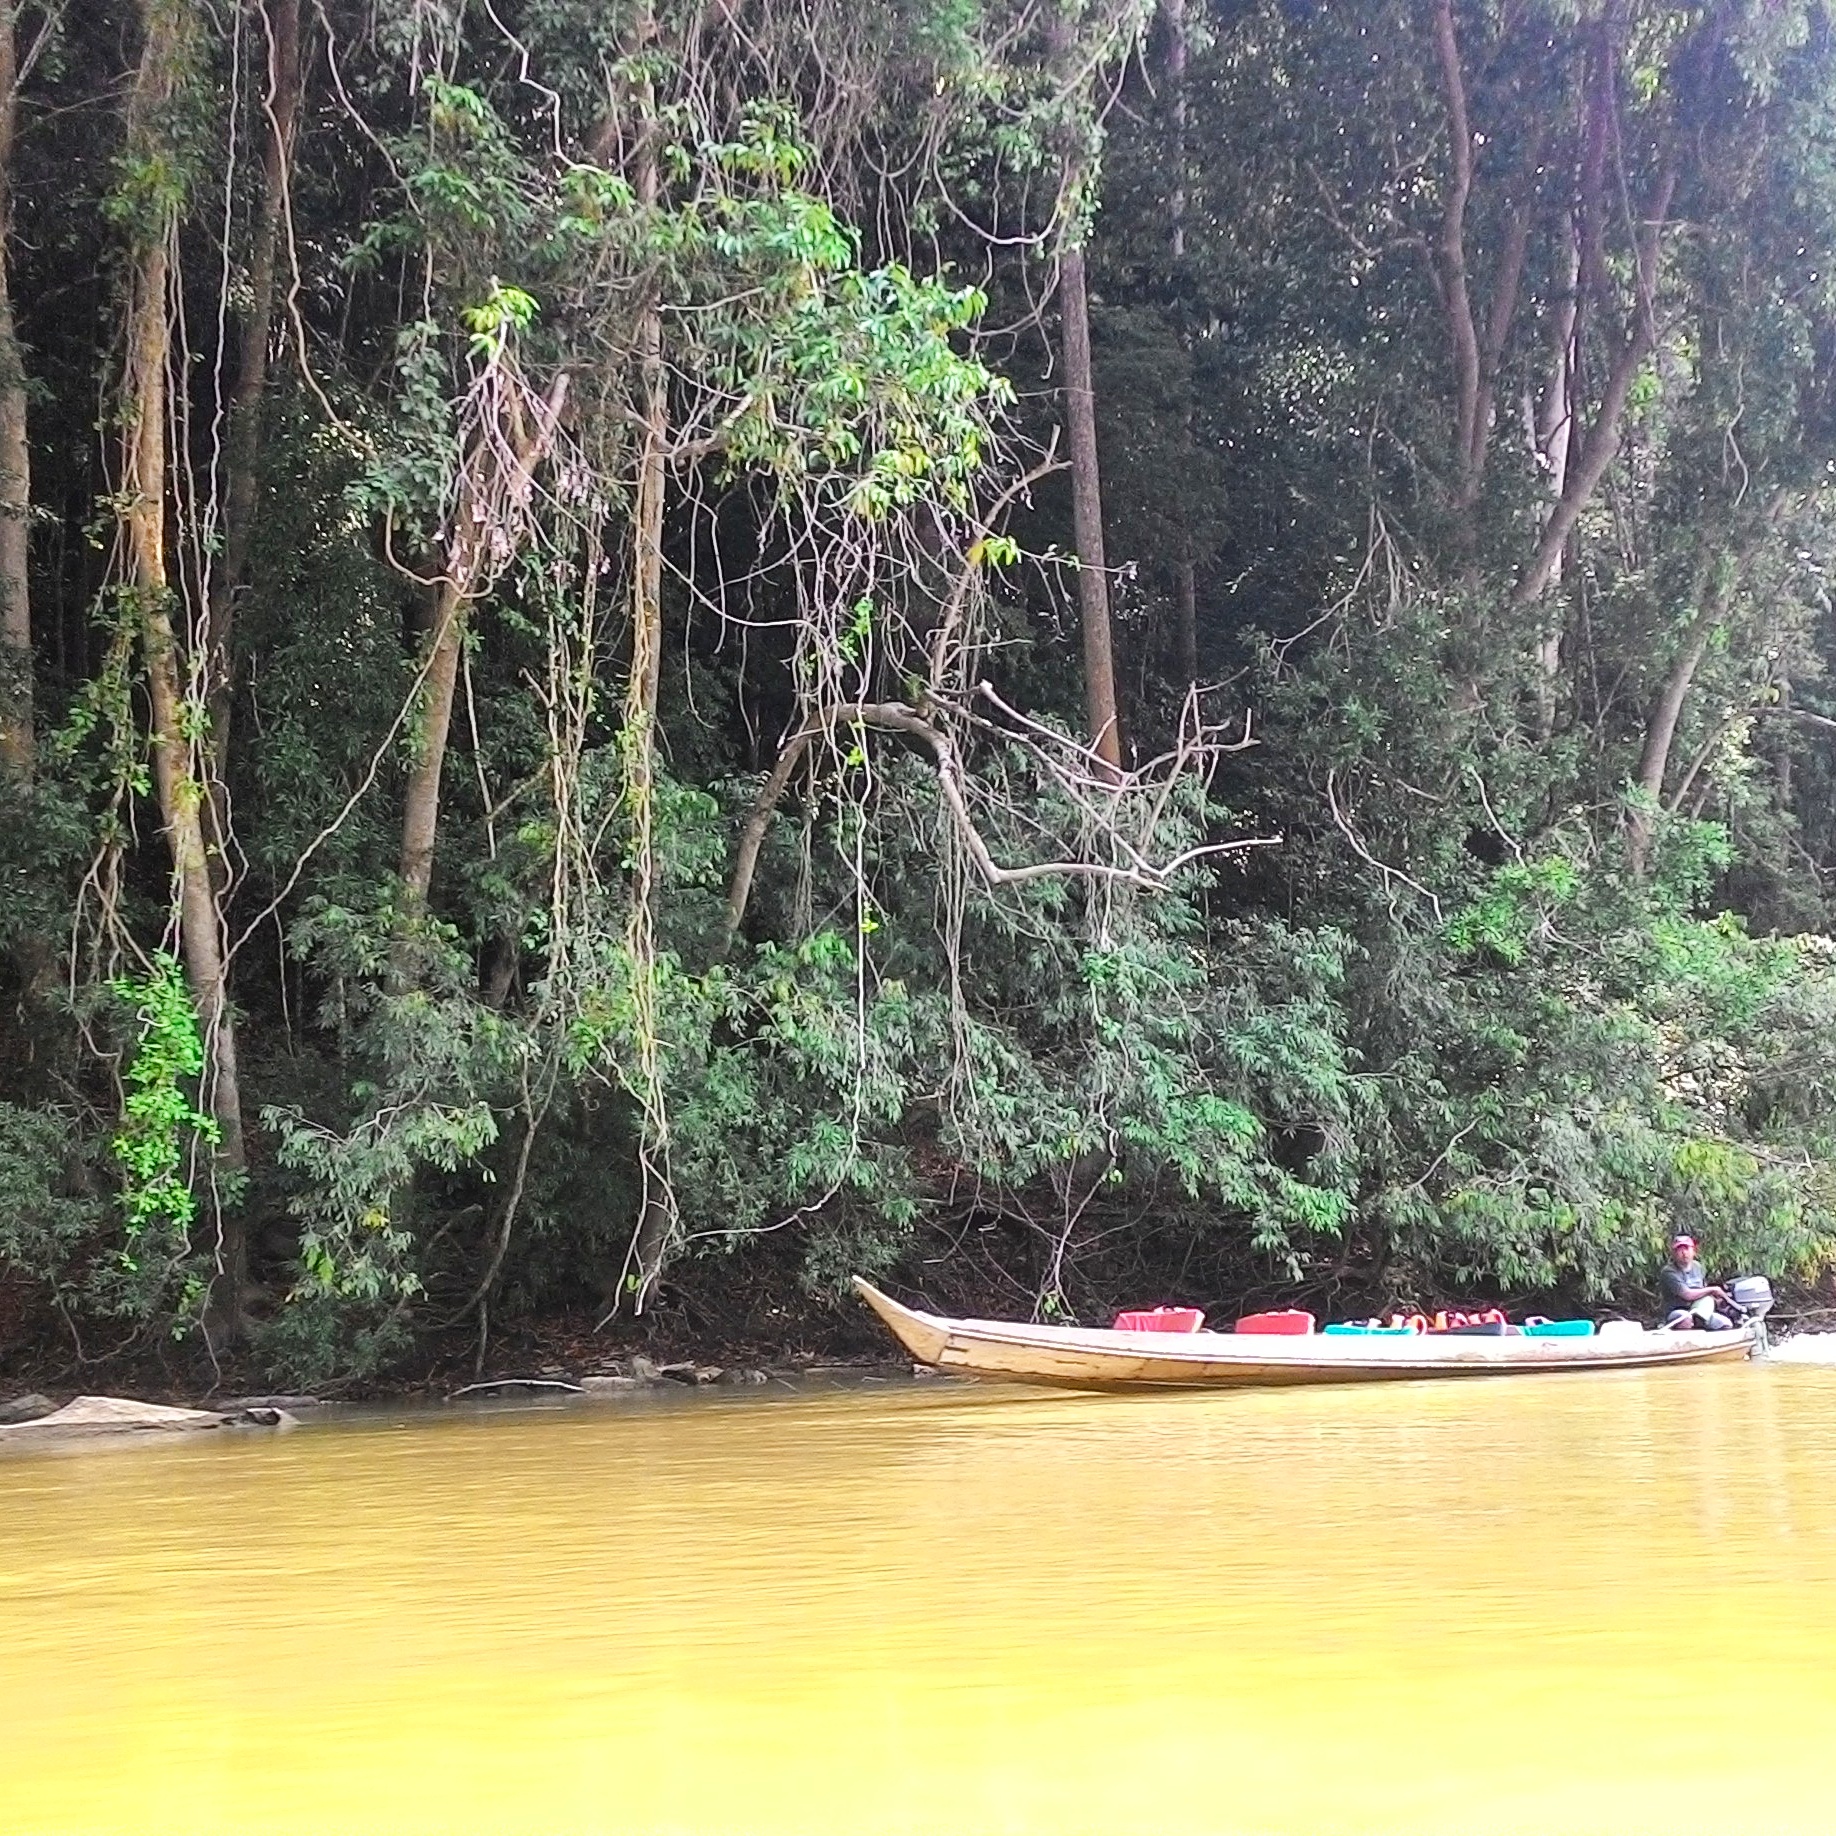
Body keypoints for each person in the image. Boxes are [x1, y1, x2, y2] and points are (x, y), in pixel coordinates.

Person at [1658, 1234, 1735, 1331]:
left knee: (1725, 1323)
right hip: (1676, 1311)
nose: (1684, 1253)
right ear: (1674, 1253)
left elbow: (1702, 1290)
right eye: (1680, 1250)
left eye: (1687, 1249)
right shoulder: (1669, 1272)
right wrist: (1712, 1289)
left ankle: (1701, 1323)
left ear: (1694, 1251)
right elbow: (1687, 1294)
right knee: (1685, 1318)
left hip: (1698, 1309)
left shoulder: (1698, 1267)